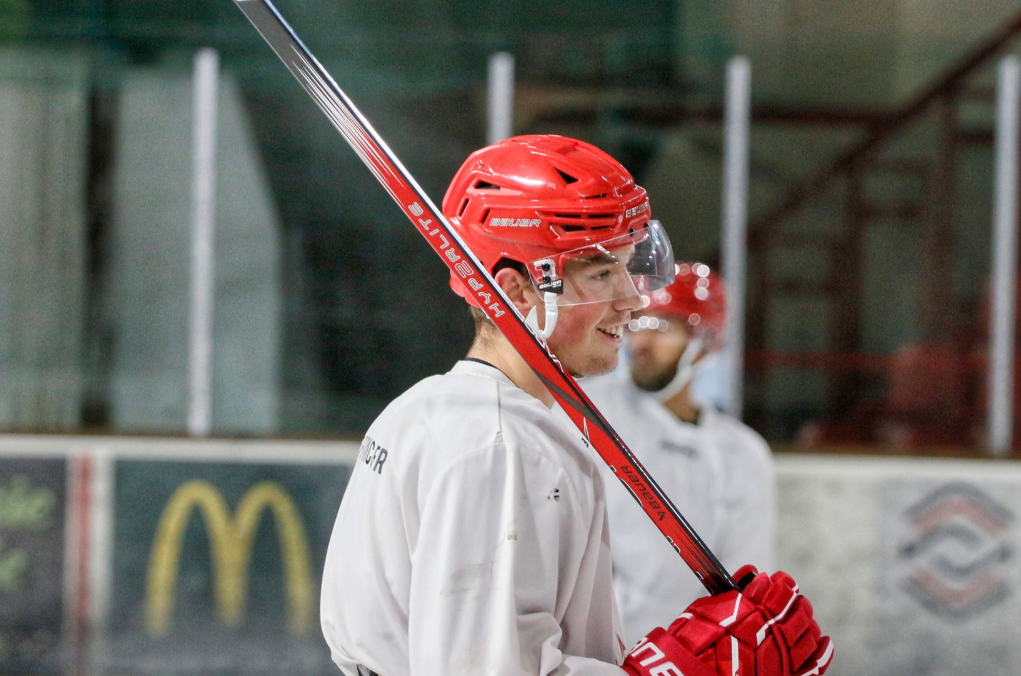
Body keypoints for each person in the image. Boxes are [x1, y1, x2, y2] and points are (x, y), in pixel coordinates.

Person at [319, 135, 830, 676]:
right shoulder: (500, 448)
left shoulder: (427, 409)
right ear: (515, 291)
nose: (632, 301)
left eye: (629, 266)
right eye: (602, 273)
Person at [580, 263, 777, 645]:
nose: (641, 342)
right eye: (638, 323)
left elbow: (746, 585)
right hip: (594, 656)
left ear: (704, 344)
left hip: (691, 658)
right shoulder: (587, 413)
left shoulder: (742, 454)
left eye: (663, 327)